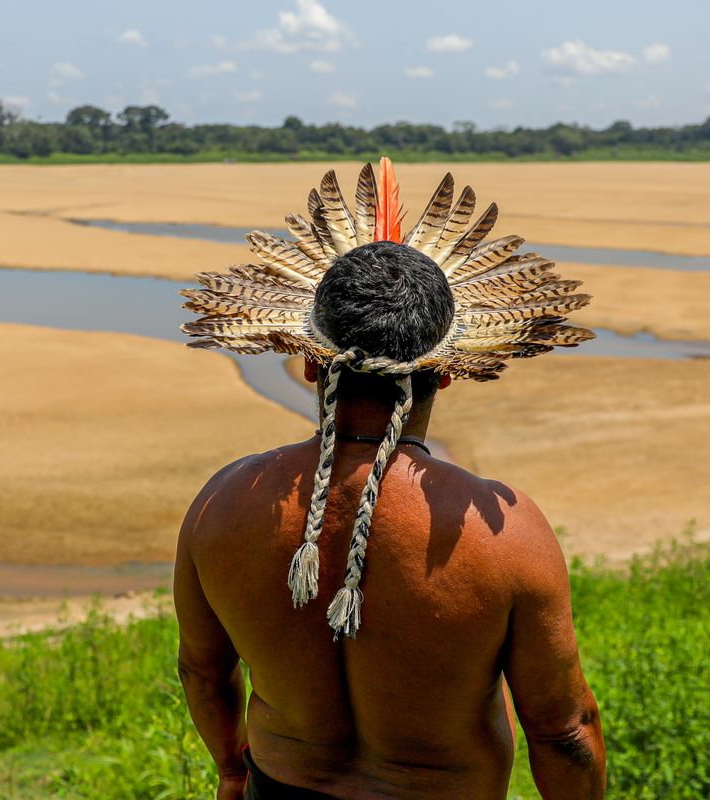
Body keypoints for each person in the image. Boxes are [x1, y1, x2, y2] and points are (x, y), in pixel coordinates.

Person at [175, 159, 604, 799]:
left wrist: (233, 771)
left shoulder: (225, 503)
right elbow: (564, 731)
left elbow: (204, 672)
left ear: (311, 364)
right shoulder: (507, 534)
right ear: (450, 370)